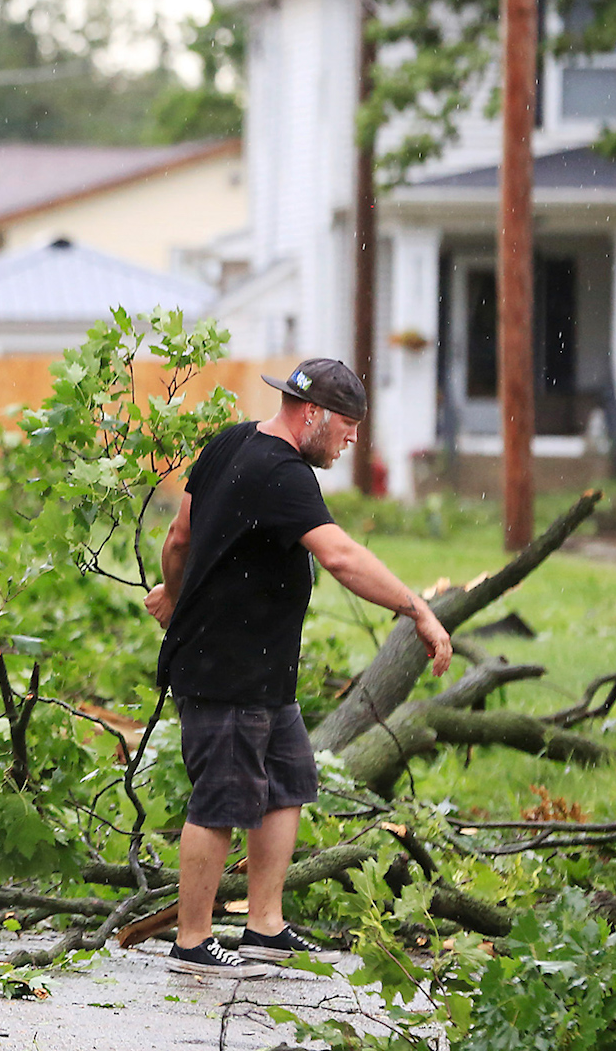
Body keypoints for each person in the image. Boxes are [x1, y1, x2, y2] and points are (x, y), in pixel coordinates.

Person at [142, 358, 453, 979]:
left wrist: (173, 596)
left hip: (258, 666)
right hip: (226, 667)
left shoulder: (231, 441)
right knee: (220, 801)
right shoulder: (282, 473)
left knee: (288, 782)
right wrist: (416, 609)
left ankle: (264, 926)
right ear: (311, 413)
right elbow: (340, 556)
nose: (353, 438)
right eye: (346, 424)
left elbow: (180, 536)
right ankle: (192, 942)